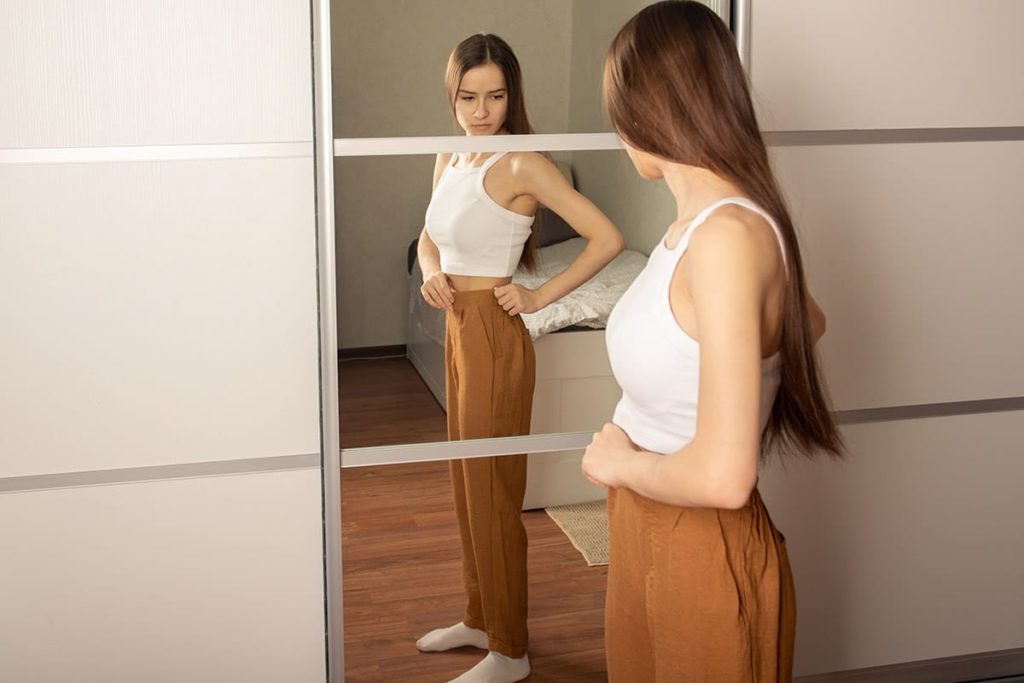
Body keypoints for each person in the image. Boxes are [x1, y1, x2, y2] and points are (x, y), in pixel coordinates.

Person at [581, 3, 844, 681]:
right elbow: (805, 321)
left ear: (651, 106)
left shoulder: (727, 235)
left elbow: (726, 478)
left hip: (697, 543)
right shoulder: (700, 229)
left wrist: (620, 463)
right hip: (647, 530)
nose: (617, 130)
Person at [415, 33, 624, 683]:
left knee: (494, 492)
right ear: (452, 96)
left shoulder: (524, 163)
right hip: (457, 326)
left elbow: (606, 236)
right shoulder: (449, 155)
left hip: (495, 337)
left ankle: (511, 648)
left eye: (496, 96)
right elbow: (429, 235)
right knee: (465, 487)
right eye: (469, 96)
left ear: (513, 96)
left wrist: (538, 296)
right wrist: (429, 273)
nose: (482, 111)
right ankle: (481, 616)